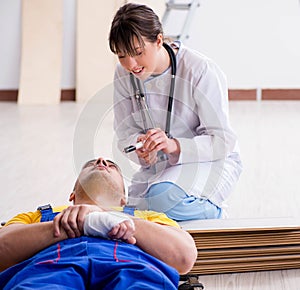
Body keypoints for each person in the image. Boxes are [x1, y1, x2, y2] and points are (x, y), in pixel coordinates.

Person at [109, 3, 243, 221]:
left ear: (159, 40)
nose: (131, 64)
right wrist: (141, 148)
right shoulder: (123, 74)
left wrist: (174, 145)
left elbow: (222, 140)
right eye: (122, 55)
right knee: (133, 213)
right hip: (161, 166)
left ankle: (214, 212)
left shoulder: (200, 70)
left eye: (138, 52)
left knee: (160, 201)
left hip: (212, 160)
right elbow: (125, 133)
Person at [0, 157, 197, 289]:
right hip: (45, 271)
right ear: (72, 194)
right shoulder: (34, 216)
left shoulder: (149, 217)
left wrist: (106, 215)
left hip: (134, 271)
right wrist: (83, 222)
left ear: (124, 199)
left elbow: (184, 256)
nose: (102, 161)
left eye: (112, 165)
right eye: (91, 164)